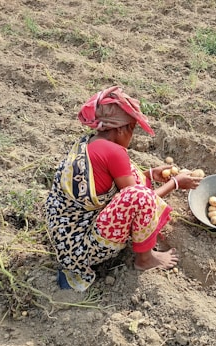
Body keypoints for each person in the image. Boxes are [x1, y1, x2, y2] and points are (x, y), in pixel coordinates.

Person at [45, 86, 201, 291]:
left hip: (63, 228)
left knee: (134, 174)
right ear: (120, 128)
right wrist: (176, 183)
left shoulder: (93, 141)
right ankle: (145, 259)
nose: (132, 136)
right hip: (79, 246)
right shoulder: (114, 152)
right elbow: (140, 198)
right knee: (141, 197)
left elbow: (117, 183)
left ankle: (140, 234)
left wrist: (149, 174)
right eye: (132, 129)